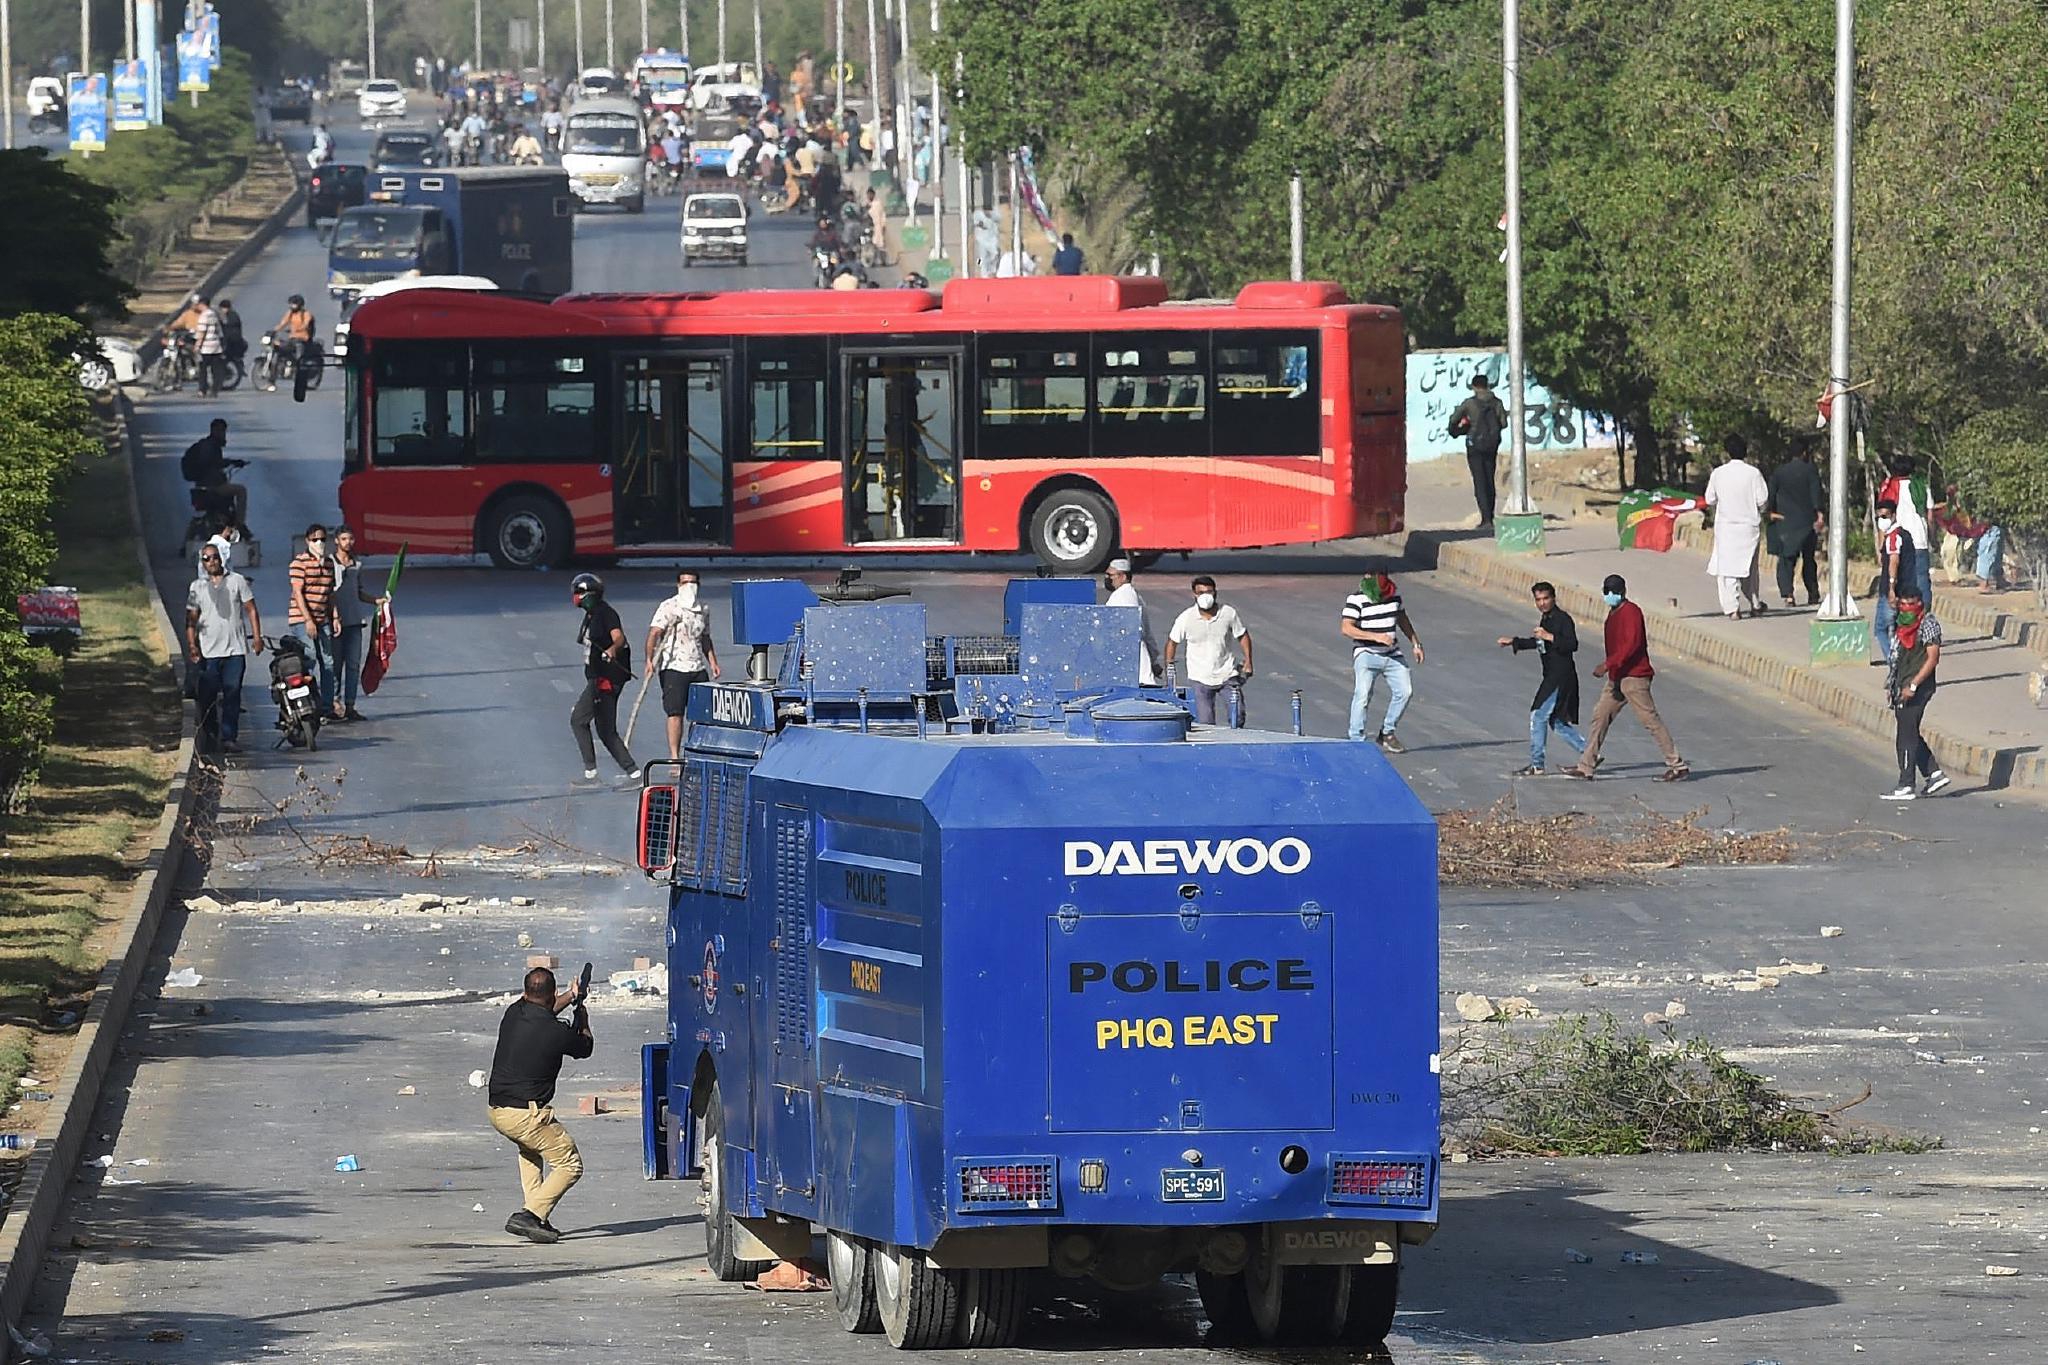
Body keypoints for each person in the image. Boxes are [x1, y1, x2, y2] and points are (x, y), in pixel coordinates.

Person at [487, 966, 593, 1244]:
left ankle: (538, 1218)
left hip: (498, 1111)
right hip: (527, 1114)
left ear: (524, 993)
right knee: (570, 1164)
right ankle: (530, 1214)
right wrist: (582, 1017)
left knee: (531, 1149)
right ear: (552, 993)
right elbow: (585, 1047)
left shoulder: (513, 1012)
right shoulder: (556, 1033)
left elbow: (544, 1009)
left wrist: (572, 995)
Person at [1565, 574, 1688, 782]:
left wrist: (1607, 665)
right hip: (1617, 677)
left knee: (1650, 721)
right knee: (1600, 716)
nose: (1609, 595)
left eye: (1613, 592)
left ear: (1623, 592)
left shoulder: (1631, 612)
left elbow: (1631, 645)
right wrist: (1612, 669)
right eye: (1606, 591)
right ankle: (1586, 766)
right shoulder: (1613, 613)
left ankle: (1677, 765)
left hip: (1634, 677)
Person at [1498, 581, 1585, 776]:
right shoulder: (1546, 619)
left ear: (1553, 598)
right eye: (1538, 600)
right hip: (1552, 676)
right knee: (1556, 722)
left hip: (1560, 677)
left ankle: (1537, 764)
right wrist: (1515, 642)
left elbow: (1572, 644)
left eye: (1546, 598)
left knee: (1538, 715)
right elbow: (1539, 643)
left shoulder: (1563, 619)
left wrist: (1549, 636)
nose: (1542, 603)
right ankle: (1589, 755)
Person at [185, 542, 263, 752]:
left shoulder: (237, 581)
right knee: (207, 696)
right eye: (206, 558)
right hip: (209, 652)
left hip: (235, 650)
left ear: (221, 558)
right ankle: (211, 734)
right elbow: (191, 620)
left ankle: (229, 737)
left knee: (232, 693)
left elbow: (251, 610)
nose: (212, 561)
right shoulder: (197, 588)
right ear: (202, 563)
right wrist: (192, 645)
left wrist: (257, 637)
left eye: (214, 557)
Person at [1341, 571, 1424, 752]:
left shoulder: (1393, 596)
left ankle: (1387, 733)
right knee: (1363, 695)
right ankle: (1356, 739)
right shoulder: (1357, 599)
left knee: (1405, 691)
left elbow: (1402, 619)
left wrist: (1415, 643)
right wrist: (1375, 637)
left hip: (1392, 654)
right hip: (1366, 653)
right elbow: (1346, 628)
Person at [1880, 587, 1950, 801]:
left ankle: (1906, 783)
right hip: (1901, 684)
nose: (1907, 609)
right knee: (1909, 731)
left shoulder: (1928, 624)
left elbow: (1932, 658)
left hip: (1918, 687)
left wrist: (1913, 685)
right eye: (1904, 604)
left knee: (1905, 737)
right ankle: (1933, 773)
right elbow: (1897, 658)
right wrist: (1892, 686)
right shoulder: (1901, 624)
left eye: (1912, 604)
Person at [645, 570, 722, 761]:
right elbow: (654, 633)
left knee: (702, 714)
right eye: (685, 582)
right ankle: (674, 756)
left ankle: (698, 751)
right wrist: (649, 659)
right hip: (674, 667)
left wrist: (713, 662)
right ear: (678, 585)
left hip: (696, 666)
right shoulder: (669, 607)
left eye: (693, 582)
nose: (689, 586)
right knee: (675, 712)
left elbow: (705, 638)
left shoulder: (703, 609)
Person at [570, 572, 639, 781]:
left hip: (604, 679)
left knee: (578, 720)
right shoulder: (592, 614)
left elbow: (619, 637)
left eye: (580, 592)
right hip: (600, 677)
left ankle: (591, 773)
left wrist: (611, 649)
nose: (576, 597)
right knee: (606, 729)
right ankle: (634, 772)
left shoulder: (605, 613)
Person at [1164, 576, 1253, 727]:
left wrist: (1248, 661)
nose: (1205, 596)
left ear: (1215, 593)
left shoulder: (1228, 613)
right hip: (1199, 677)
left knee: (1237, 715)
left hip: (1227, 674)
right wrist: (1169, 671)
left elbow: (1242, 635)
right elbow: (1172, 642)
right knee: (1205, 723)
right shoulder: (1186, 618)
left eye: (1209, 592)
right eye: (1200, 592)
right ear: (1194, 594)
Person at [1704, 433, 1770, 619]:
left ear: (1727, 452)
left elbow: (1710, 498)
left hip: (1726, 527)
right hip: (1749, 527)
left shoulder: (1718, 473)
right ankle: (1755, 603)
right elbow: (1762, 500)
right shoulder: (1753, 473)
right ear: (1745, 452)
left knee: (1727, 570)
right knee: (1749, 568)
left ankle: (1733, 609)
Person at [286, 524, 341, 717]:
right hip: (302, 618)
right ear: (307, 541)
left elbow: (330, 594)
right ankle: (303, 702)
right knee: (308, 658)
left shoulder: (328, 564)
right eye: (315, 539)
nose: (319, 543)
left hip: (322, 618)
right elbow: (298, 593)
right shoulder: (298, 564)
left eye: (322, 539)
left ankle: (327, 706)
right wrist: (308, 620)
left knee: (328, 662)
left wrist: (334, 617)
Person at [330, 527, 384, 722]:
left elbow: (359, 592)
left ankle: (350, 705)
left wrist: (377, 601)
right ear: (336, 541)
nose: (348, 542)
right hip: (335, 624)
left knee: (353, 665)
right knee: (335, 665)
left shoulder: (357, 565)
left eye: (351, 539)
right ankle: (334, 702)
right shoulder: (329, 564)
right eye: (344, 539)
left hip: (354, 622)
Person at [1766, 436, 1824, 608]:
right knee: (1809, 559)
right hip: (1807, 523)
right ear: (1805, 453)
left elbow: (1770, 495)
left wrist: (1770, 512)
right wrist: (1819, 515)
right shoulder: (1810, 470)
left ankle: (1788, 594)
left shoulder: (1779, 472)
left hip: (1785, 522)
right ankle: (1812, 593)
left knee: (1786, 560)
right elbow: (1816, 494)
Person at [1448, 373, 1509, 528]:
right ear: (1488, 385)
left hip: (1474, 445)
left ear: (1474, 387)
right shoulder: (1497, 403)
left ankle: (1485, 519)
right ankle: (1491, 515)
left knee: (1479, 481)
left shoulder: (1470, 404)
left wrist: (1458, 430)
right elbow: (1503, 423)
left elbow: (1454, 419)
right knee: (1490, 479)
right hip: (1491, 445)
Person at [1871, 497, 1917, 666]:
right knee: (1898, 630)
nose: (1882, 521)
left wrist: (1891, 588)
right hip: (1907, 591)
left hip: (1892, 591)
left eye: (1885, 516)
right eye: (1879, 517)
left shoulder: (1894, 538)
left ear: (1894, 515)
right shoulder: (1905, 535)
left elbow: (1893, 562)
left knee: (1881, 629)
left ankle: (1894, 663)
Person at [181, 417, 247, 528]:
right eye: (222, 431)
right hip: (213, 486)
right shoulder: (211, 446)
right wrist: (231, 462)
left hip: (201, 486)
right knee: (241, 490)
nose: (223, 434)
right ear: (215, 430)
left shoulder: (204, 444)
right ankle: (240, 524)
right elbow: (213, 462)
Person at [1103, 557, 1160, 685]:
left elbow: (1127, 632)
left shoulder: (1123, 597)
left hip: (1130, 669)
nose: (1107, 578)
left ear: (1123, 576)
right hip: (1137, 667)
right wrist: (1154, 660)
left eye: (1110, 575)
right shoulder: (1133, 596)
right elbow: (1147, 634)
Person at [192, 296, 227, 397]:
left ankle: (202, 390)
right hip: (216, 346)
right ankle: (214, 390)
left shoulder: (204, 316)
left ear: (202, 305)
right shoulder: (214, 314)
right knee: (215, 369)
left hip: (206, 348)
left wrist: (197, 345)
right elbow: (219, 331)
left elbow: (202, 332)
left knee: (203, 370)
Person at [275, 294, 316, 369]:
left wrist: (297, 329)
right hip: (292, 338)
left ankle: (300, 368)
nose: (292, 306)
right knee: (278, 345)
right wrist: (275, 330)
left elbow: (305, 325)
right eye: (291, 304)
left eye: (294, 304)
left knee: (299, 357)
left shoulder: (306, 314)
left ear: (299, 305)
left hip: (303, 339)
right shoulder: (290, 313)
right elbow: (283, 323)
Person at [216, 297, 247, 379]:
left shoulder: (231, 316)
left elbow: (229, 331)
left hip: (233, 343)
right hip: (233, 342)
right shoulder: (231, 315)